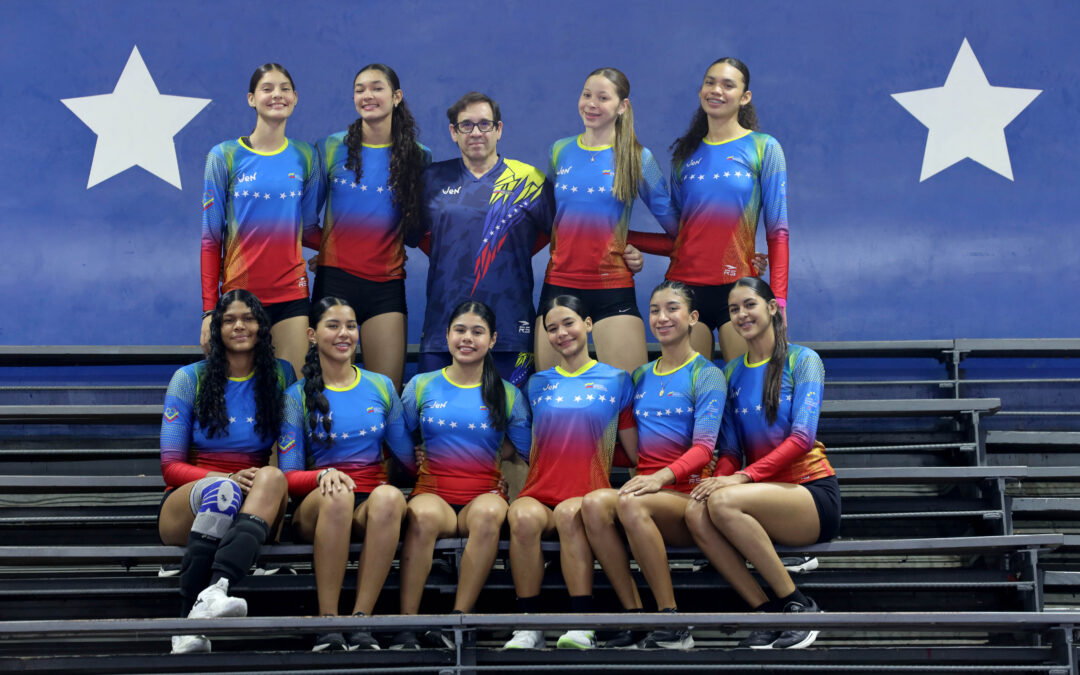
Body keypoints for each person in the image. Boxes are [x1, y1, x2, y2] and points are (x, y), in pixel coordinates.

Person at [408, 91, 643, 389]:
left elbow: (568, 234)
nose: (476, 132)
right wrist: (453, 254)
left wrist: (623, 248)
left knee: (513, 424)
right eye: (466, 125)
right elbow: (415, 237)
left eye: (485, 124)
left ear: (499, 129)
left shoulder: (530, 180)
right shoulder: (431, 179)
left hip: (511, 329)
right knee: (435, 423)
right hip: (443, 329)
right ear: (454, 132)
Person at [684, 277, 840, 650]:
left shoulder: (804, 360)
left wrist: (738, 479)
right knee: (695, 511)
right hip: (757, 493)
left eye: (750, 304)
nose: (741, 314)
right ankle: (766, 611)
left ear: (772, 307)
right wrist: (717, 480)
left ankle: (800, 606)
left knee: (722, 501)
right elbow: (732, 451)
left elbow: (802, 438)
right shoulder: (730, 372)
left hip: (810, 493)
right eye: (734, 309)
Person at [581, 281, 726, 649]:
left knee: (629, 500)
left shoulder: (706, 374)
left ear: (693, 318)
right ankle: (634, 615)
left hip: (688, 496)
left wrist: (658, 478)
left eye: (672, 309)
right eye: (655, 310)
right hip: (646, 493)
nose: (662, 317)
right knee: (593, 504)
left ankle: (671, 619)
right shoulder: (641, 376)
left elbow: (704, 448)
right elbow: (628, 450)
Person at [158, 289, 294, 654]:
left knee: (275, 476)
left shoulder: (280, 375)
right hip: (189, 500)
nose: (239, 326)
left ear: (262, 327)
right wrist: (224, 479)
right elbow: (170, 467)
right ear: (216, 328)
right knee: (225, 492)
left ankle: (215, 593)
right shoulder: (190, 378)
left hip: (256, 504)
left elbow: (289, 453)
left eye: (248, 318)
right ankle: (188, 616)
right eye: (229, 319)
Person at [278, 297, 417, 651]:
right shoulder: (295, 397)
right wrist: (323, 474)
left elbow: (407, 460)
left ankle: (361, 621)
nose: (344, 334)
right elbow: (289, 477)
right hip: (318, 506)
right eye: (333, 325)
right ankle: (328, 624)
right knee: (338, 494)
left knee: (389, 496)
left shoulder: (382, 386)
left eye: (351, 326)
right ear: (312, 334)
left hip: (371, 506)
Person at [392, 301, 533, 649]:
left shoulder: (509, 394)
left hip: (483, 494)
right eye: (460, 330)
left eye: (477, 331)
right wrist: (416, 458)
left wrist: (503, 457)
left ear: (493, 339)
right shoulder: (420, 386)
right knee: (421, 517)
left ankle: (456, 624)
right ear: (448, 335)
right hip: (432, 493)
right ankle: (407, 626)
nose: (467, 338)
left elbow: (528, 449)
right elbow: (396, 439)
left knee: (488, 515)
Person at [629, 57, 789, 364]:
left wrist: (778, 299)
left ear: (745, 97)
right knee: (688, 394)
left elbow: (778, 233)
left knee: (747, 390)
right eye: (710, 82)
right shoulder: (684, 157)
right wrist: (623, 237)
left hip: (739, 288)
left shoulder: (764, 148)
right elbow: (682, 238)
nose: (716, 90)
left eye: (728, 85)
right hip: (684, 289)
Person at [502, 295, 636, 650]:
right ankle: (528, 626)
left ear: (588, 325)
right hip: (539, 491)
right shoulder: (535, 385)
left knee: (568, 515)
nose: (561, 333)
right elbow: (520, 442)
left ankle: (581, 625)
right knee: (521, 517)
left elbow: (633, 451)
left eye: (569, 323)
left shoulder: (617, 380)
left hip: (589, 494)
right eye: (552, 328)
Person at [536, 67, 678, 375]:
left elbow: (680, 233)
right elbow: (548, 223)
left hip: (612, 288)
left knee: (625, 400)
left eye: (603, 97)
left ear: (622, 106)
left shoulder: (639, 158)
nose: (591, 104)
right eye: (587, 94)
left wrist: (630, 244)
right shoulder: (560, 151)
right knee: (551, 400)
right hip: (559, 286)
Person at [311, 63, 431, 391]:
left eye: (377, 88)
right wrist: (330, 247)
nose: (368, 95)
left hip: (386, 286)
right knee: (326, 392)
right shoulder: (329, 148)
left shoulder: (419, 157)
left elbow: (416, 229)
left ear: (396, 97)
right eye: (360, 89)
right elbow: (306, 222)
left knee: (387, 395)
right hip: (334, 282)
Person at [201, 63, 321, 377]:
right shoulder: (224, 155)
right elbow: (211, 240)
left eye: (284, 88)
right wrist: (208, 311)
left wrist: (339, 252)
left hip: (291, 295)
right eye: (267, 89)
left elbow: (308, 230)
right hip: (240, 296)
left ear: (295, 98)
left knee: (292, 396)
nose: (276, 95)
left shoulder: (306, 156)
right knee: (246, 397)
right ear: (251, 98)